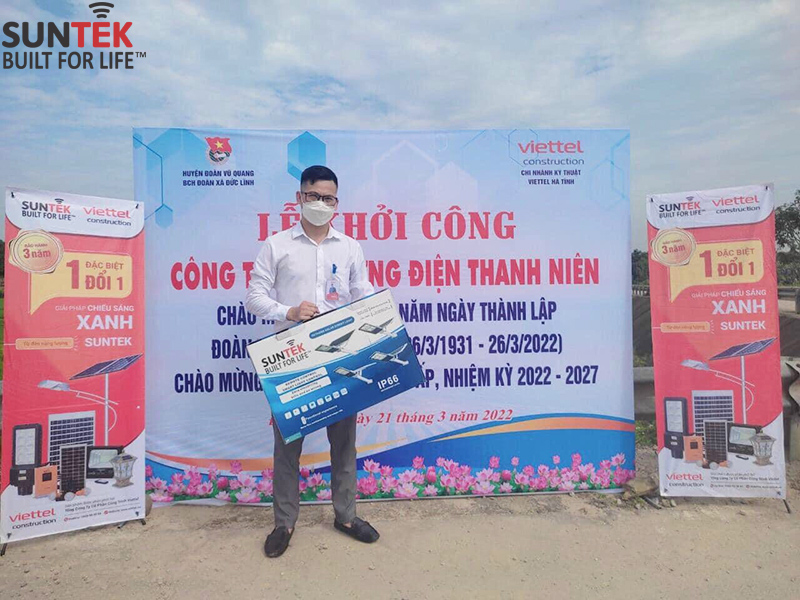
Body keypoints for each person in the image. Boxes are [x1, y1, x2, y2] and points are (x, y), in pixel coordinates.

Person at [245, 165, 380, 558]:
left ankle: (346, 516)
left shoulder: (350, 247)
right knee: (288, 446)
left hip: (340, 355)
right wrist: (288, 311)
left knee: (345, 443)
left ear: (337, 202)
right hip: (293, 358)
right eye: (314, 196)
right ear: (299, 198)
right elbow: (253, 298)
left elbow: (363, 292)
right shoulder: (276, 245)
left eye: (329, 198)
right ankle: (284, 523)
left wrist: (376, 313)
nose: (321, 204)